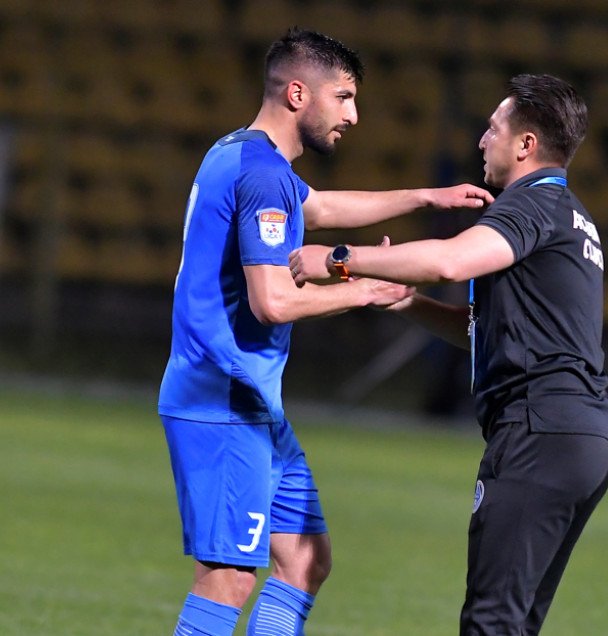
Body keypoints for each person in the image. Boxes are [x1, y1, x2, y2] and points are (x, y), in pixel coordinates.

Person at [157, 29, 493, 636]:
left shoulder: (243, 156)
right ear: (296, 94)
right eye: (342, 97)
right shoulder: (262, 176)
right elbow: (272, 301)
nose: (353, 115)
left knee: (306, 561)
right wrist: (362, 288)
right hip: (222, 398)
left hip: (251, 402)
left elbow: (325, 209)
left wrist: (426, 196)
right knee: (229, 578)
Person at [290, 74, 608, 636]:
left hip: (540, 431)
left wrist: (341, 259)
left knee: (489, 624)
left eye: (493, 129)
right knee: (511, 625)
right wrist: (412, 305)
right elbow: (491, 330)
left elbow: (450, 261)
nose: (482, 141)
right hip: (582, 435)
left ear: (525, 145)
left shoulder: (532, 206)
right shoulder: (570, 215)